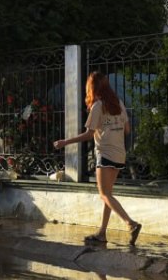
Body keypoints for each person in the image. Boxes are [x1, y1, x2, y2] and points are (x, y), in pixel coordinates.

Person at [53, 72, 142, 246]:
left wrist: (65, 142)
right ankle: (102, 233)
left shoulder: (98, 106)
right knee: (108, 195)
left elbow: (89, 134)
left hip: (105, 154)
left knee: (104, 194)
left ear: (92, 88)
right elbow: (127, 130)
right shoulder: (119, 103)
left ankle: (131, 224)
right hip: (119, 155)